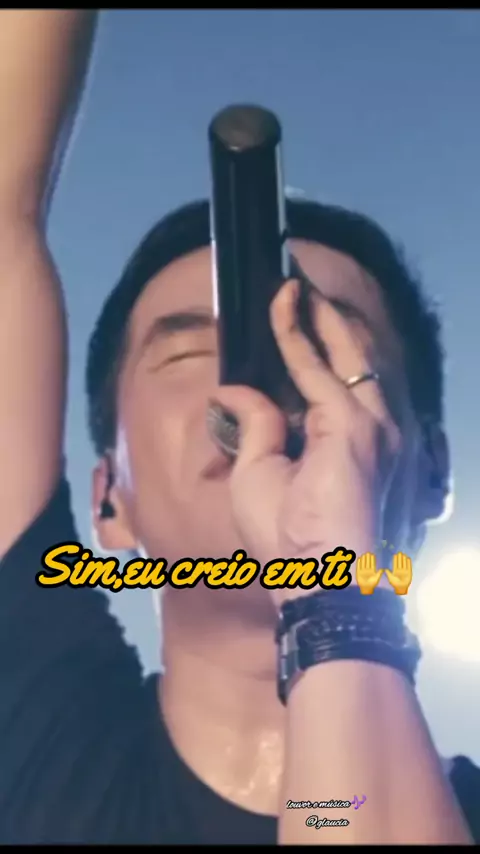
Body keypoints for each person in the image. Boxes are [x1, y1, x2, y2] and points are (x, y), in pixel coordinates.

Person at [0, 10, 478, 846]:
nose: (252, 385)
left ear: (434, 468)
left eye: (322, 349)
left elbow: (332, 818)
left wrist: (332, 584)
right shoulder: (31, 735)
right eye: (189, 354)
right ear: (109, 500)